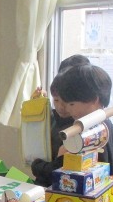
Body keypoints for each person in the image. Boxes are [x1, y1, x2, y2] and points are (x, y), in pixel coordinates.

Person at [52, 63, 113, 176]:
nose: (67, 109)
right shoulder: (107, 125)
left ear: (94, 99)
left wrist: (60, 159)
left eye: (72, 104)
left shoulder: (91, 133)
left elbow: (68, 177)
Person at [31, 55, 90, 186]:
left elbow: (57, 172)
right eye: (56, 100)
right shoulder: (55, 117)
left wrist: (36, 166)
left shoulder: (79, 129)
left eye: (67, 101)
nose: (61, 107)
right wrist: (38, 106)